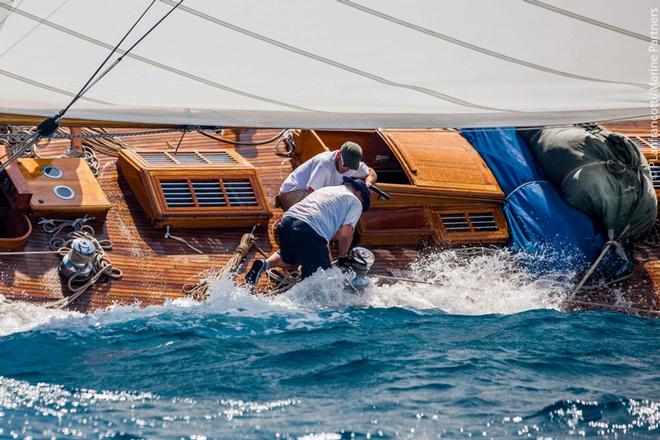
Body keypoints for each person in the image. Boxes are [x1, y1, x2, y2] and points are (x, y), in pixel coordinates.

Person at [246, 177, 371, 286]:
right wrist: (342, 257)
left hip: (287, 222)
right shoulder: (355, 201)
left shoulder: (327, 190)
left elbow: (328, 231)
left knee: (289, 258)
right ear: (358, 193)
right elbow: (346, 232)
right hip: (309, 230)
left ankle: (264, 265)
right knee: (321, 279)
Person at [277, 141, 377, 211]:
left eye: (351, 167)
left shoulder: (352, 165)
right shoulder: (324, 165)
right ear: (338, 155)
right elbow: (311, 195)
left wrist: (369, 183)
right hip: (293, 192)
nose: (346, 170)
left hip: (314, 193)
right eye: (345, 165)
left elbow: (371, 173)